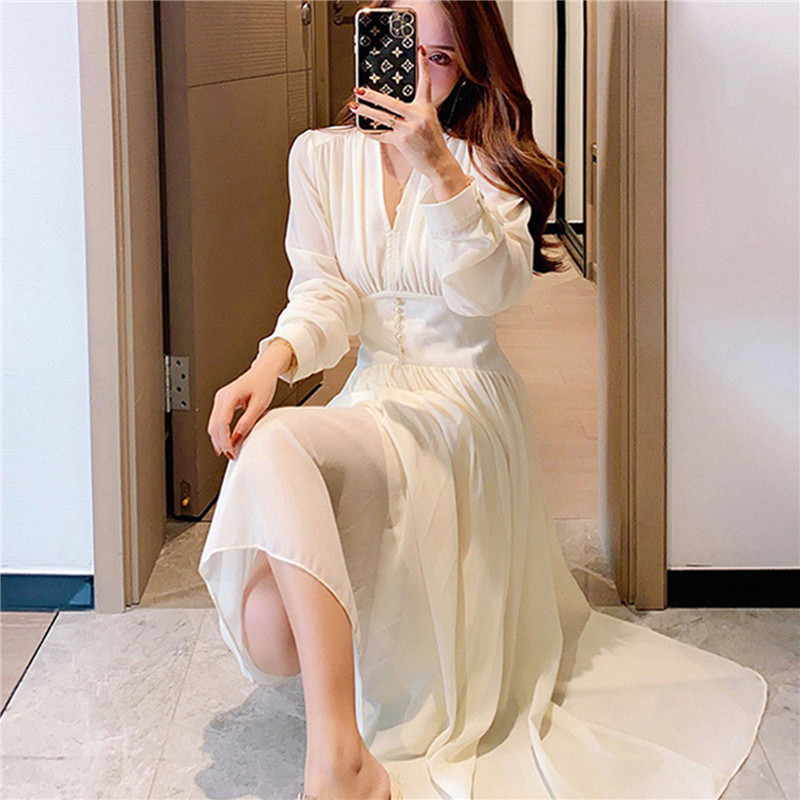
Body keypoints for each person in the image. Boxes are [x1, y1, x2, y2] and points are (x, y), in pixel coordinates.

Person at [200, 2, 768, 798]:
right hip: (373, 397)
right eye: (405, 44)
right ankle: (357, 702)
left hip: (461, 409)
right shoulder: (320, 157)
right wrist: (271, 364)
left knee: (277, 444)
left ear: (468, 64)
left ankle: (339, 761)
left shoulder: (490, 164)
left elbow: (486, 293)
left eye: (441, 58)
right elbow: (325, 292)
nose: (418, 75)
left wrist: (438, 168)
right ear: (372, 29)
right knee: (266, 630)